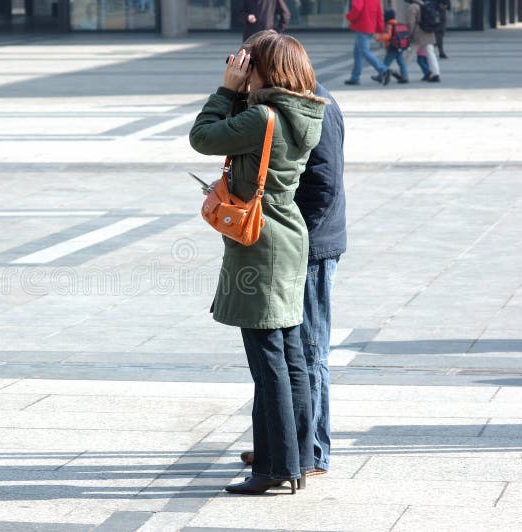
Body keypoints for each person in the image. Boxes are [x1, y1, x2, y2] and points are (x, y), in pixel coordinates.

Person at [190, 30, 325, 495]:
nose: (241, 68)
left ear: (266, 69)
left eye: (249, 63)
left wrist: (227, 89)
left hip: (261, 244)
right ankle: (297, 460)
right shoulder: (304, 111)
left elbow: (202, 137)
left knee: (269, 361)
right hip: (288, 234)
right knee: (291, 357)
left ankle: (275, 468)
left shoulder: (261, 116)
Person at [239, 81, 345, 477]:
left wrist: (296, 235)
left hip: (311, 247)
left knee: (309, 349)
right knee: (288, 352)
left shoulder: (316, 106)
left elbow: (324, 184)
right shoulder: (283, 103)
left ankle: (312, 451)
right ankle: (281, 446)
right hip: (301, 243)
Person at [344, 0, 389, 85]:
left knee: (364, 51)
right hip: (371, 26)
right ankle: (355, 77)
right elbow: (379, 13)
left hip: (362, 26)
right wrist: (379, 28)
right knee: (357, 53)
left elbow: (357, 8)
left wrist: (348, 17)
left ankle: (383, 70)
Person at [407, 0, 440, 82]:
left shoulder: (413, 6)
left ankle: (401, 72)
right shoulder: (426, 4)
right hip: (429, 32)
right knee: (430, 53)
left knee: (410, 53)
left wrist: (410, 34)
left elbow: (411, 22)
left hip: (418, 33)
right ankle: (436, 74)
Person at [375, 8, 409, 84]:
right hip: (399, 47)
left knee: (385, 63)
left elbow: (388, 36)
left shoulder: (389, 25)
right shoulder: (397, 24)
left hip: (392, 47)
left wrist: (379, 37)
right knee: (401, 63)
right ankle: (405, 77)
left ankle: (380, 77)